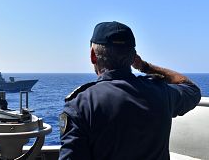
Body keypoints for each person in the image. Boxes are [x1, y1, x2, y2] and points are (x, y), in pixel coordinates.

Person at [59, 21, 201, 160]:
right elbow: (192, 89)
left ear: (93, 55)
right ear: (133, 57)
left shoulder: (81, 105)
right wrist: (145, 66)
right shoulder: (162, 92)